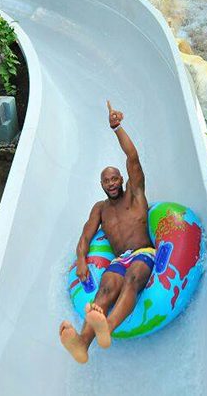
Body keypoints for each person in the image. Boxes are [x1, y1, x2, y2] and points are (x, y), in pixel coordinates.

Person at [58, 101, 154, 363]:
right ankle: (81, 344)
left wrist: (117, 127)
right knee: (106, 287)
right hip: (118, 259)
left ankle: (107, 329)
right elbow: (86, 236)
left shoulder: (135, 196)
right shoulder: (100, 209)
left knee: (133, 278)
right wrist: (81, 260)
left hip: (143, 254)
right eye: (106, 180)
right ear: (101, 184)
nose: (111, 183)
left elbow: (132, 157)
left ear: (122, 180)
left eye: (114, 178)